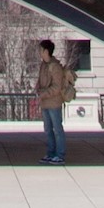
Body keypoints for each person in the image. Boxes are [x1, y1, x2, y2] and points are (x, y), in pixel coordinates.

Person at [33, 38, 78, 166]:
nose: (39, 52)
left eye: (41, 50)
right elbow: (40, 81)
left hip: (54, 102)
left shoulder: (55, 66)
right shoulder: (43, 65)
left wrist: (44, 94)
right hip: (45, 102)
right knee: (48, 129)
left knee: (57, 129)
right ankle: (51, 153)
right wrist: (38, 90)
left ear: (46, 51)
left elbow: (57, 87)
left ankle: (60, 154)